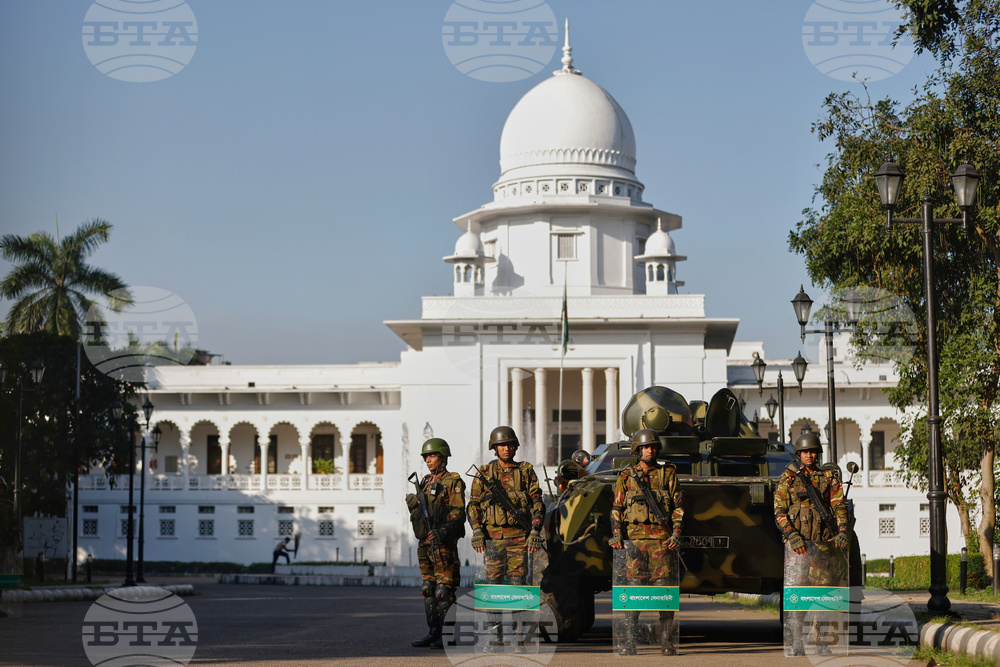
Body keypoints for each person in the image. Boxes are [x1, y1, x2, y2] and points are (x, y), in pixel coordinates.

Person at [467, 426, 544, 647]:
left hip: (520, 537)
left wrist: (535, 531)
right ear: (495, 448)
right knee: (493, 587)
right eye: (502, 445)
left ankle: (521, 634)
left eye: (510, 444)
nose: (507, 448)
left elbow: (537, 502)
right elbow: (473, 505)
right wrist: (477, 531)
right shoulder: (484, 473)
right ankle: (495, 635)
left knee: (519, 584)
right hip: (492, 538)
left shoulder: (526, 470)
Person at [609, 428, 684, 656]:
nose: (650, 451)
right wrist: (616, 534)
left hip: (662, 542)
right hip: (634, 543)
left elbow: (678, 508)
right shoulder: (626, 476)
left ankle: (666, 642)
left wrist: (676, 534)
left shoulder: (667, 474)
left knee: (664, 592)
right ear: (637, 450)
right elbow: (617, 508)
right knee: (634, 592)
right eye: (645, 447)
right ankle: (630, 641)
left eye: (653, 447)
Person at [774, 432, 850, 656]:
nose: (809, 455)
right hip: (799, 548)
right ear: (799, 453)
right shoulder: (789, 476)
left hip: (824, 546)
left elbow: (839, 505)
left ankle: (822, 642)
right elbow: (779, 510)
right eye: (806, 452)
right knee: (799, 597)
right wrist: (791, 534)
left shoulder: (828, 477)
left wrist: (843, 531)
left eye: (813, 452)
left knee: (823, 599)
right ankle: (797, 641)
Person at [406, 438, 466, 649]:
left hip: (443, 545)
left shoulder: (453, 482)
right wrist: (413, 504)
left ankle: (447, 636)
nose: (428, 460)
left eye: (431, 456)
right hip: (425, 544)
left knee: (444, 590)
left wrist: (442, 531)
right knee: (428, 589)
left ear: (443, 457)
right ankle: (433, 633)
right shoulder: (425, 481)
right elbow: (422, 514)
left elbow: (458, 513)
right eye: (425, 457)